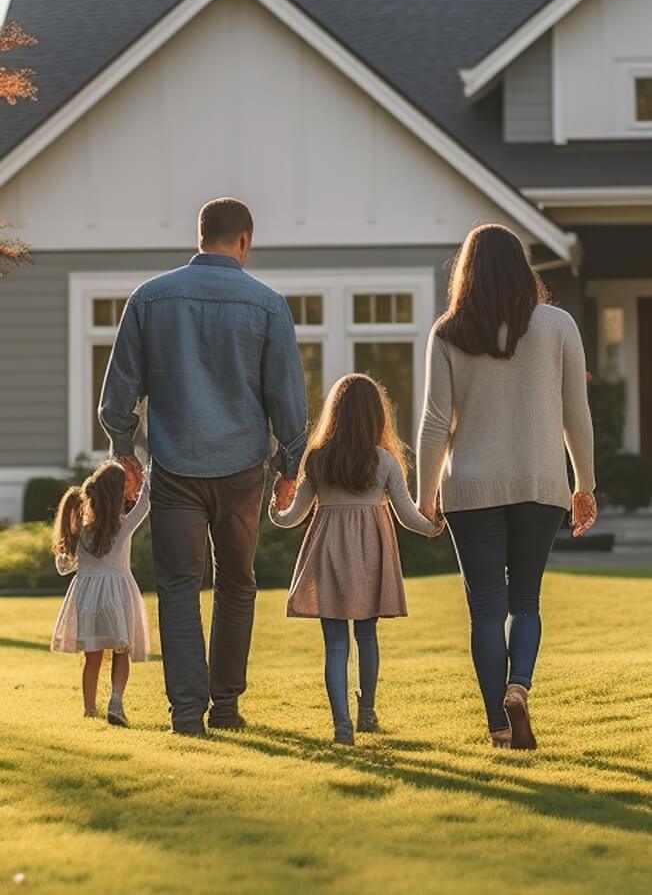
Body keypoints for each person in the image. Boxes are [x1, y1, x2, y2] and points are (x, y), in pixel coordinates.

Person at [99, 198, 307, 737]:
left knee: (177, 586)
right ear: (244, 240)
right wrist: (289, 465)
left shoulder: (149, 298)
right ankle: (227, 707)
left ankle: (187, 715)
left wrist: (126, 451)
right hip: (241, 471)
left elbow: (117, 393)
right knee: (237, 584)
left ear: (200, 236)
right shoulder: (267, 306)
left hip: (175, 466)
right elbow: (286, 397)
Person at [417, 223, 596, 750]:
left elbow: (433, 424)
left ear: (466, 273)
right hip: (541, 484)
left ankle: (498, 728)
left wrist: (426, 497)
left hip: (470, 489)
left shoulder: (448, 332)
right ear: (523, 269)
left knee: (486, 610)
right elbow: (576, 414)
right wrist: (584, 485)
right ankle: (519, 688)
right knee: (527, 601)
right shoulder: (558, 325)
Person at [270, 374, 437, 746]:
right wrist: (434, 526)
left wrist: (274, 509)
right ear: (376, 417)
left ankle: (341, 726)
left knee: (334, 645)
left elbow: (293, 516)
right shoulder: (385, 462)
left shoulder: (317, 459)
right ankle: (367, 712)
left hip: (327, 553)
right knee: (367, 634)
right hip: (369, 554)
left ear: (335, 414)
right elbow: (408, 515)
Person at [50, 460, 150, 726]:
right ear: (118, 493)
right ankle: (116, 701)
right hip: (117, 597)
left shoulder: (82, 531)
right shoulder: (123, 525)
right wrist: (149, 470)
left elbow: (63, 567)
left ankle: (89, 708)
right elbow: (146, 502)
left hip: (88, 600)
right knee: (121, 651)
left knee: (91, 656)